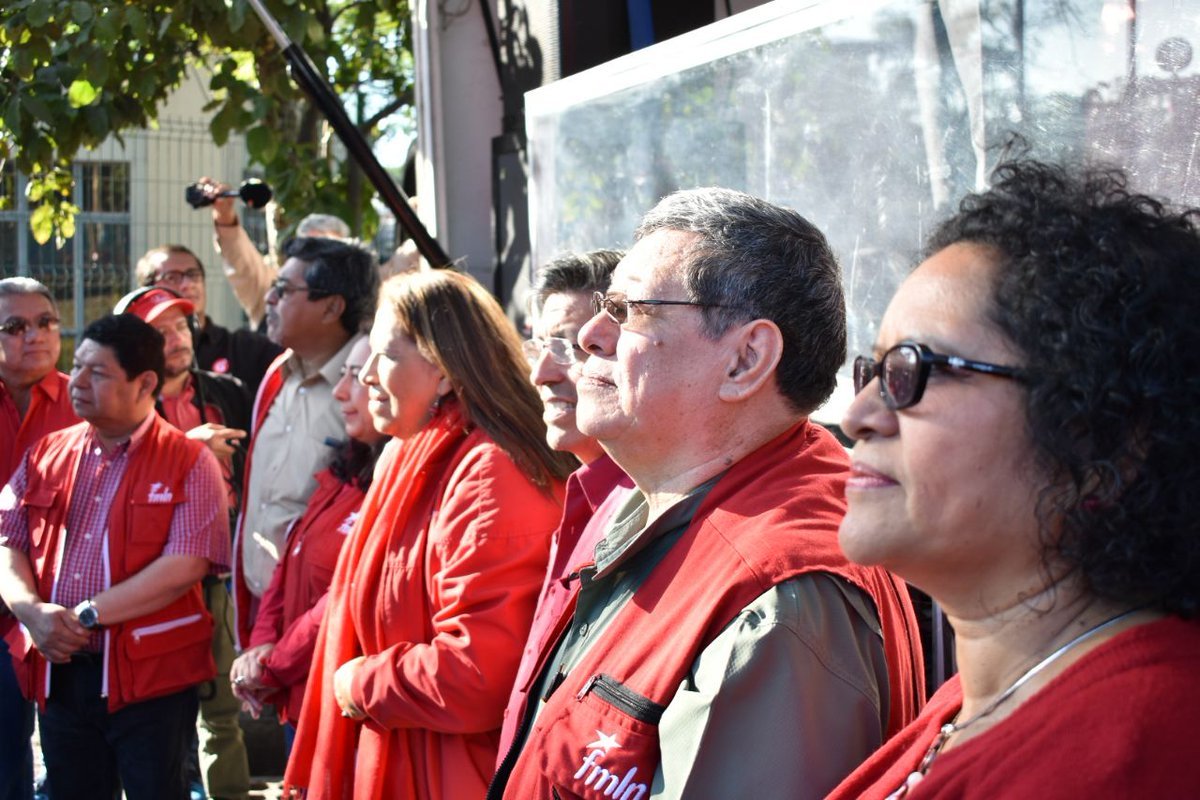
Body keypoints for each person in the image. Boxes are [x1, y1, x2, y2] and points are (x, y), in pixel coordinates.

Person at [493, 188, 925, 800]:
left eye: (628, 309)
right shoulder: (663, 499)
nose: (591, 334)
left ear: (746, 360)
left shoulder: (781, 601)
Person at [827, 161, 1200, 798]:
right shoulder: (981, 698)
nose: (859, 416)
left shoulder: (1128, 749)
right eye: (873, 369)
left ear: (1098, 438)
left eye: (912, 370)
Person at [283, 270, 577, 799]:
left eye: (387, 356)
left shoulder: (492, 473)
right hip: (406, 760)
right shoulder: (412, 453)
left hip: (450, 776)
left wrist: (357, 683)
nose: (367, 375)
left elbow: (478, 673)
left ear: (444, 374)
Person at [0, 313, 230, 800]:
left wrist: (84, 615)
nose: (76, 383)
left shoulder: (189, 460)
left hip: (151, 681)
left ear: (146, 382)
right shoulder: (47, 453)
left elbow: (184, 565)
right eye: (76, 366)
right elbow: (7, 542)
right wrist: (30, 612)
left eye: (97, 373)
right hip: (61, 674)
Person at [495, 249, 635, 767]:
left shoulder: (652, 511)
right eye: (542, 344)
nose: (542, 374)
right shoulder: (590, 495)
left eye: (573, 346)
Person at [117, 287, 252, 800]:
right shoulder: (122, 401)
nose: (175, 338)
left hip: (218, 578)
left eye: (180, 325)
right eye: (159, 330)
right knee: (154, 720)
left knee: (223, 712)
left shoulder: (226, 390)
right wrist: (187, 447)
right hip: (150, 584)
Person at [229, 336, 386, 736]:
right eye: (346, 372)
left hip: (346, 706)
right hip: (299, 695)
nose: (340, 389)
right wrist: (260, 647)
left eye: (359, 375)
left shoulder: (391, 488)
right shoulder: (342, 470)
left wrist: (273, 664)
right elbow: (290, 558)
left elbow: (343, 598)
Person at [232, 237, 378, 647]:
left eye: (284, 289)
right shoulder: (278, 375)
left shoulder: (372, 391)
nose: (270, 298)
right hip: (262, 615)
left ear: (332, 307)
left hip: (325, 626)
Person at [0, 277, 78, 800]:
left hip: (65, 610)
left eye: (46, 322)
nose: (35, 336)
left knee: (74, 767)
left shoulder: (89, 396)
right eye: (15, 326)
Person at [136, 245, 282, 394]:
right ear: (148, 290)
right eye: (172, 277)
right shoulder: (134, 359)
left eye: (193, 275)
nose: (188, 284)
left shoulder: (244, 349)